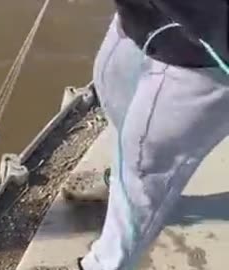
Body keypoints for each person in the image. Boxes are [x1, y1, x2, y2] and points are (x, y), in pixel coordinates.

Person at [60, 1, 229, 269]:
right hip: (142, 19)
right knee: (112, 90)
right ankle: (119, 179)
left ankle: (105, 263)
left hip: (202, 55)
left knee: (146, 168)